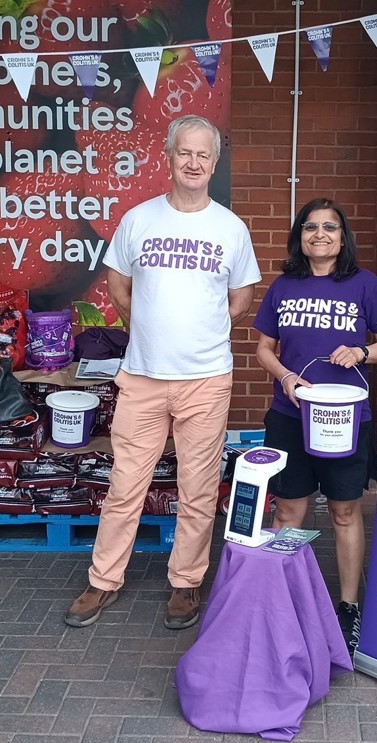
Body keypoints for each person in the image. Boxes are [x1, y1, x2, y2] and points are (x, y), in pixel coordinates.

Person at [65, 115, 261, 630]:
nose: (194, 163)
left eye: (204, 155)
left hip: (206, 380)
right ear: (169, 158)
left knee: (198, 488)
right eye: (185, 153)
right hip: (144, 378)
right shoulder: (139, 219)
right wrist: (149, 328)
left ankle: (186, 582)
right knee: (125, 484)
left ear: (214, 164)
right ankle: (102, 580)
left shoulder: (230, 228)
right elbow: (118, 285)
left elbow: (241, 297)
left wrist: (198, 329)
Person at [253, 198, 377, 653]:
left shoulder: (364, 285)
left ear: (342, 236)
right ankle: (284, 600)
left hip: (345, 420)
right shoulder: (283, 287)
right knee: (288, 512)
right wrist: (286, 376)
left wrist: (361, 353)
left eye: (330, 227)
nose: (320, 234)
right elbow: (263, 349)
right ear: (300, 236)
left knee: (344, 512)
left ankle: (348, 607)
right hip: (290, 417)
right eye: (311, 227)